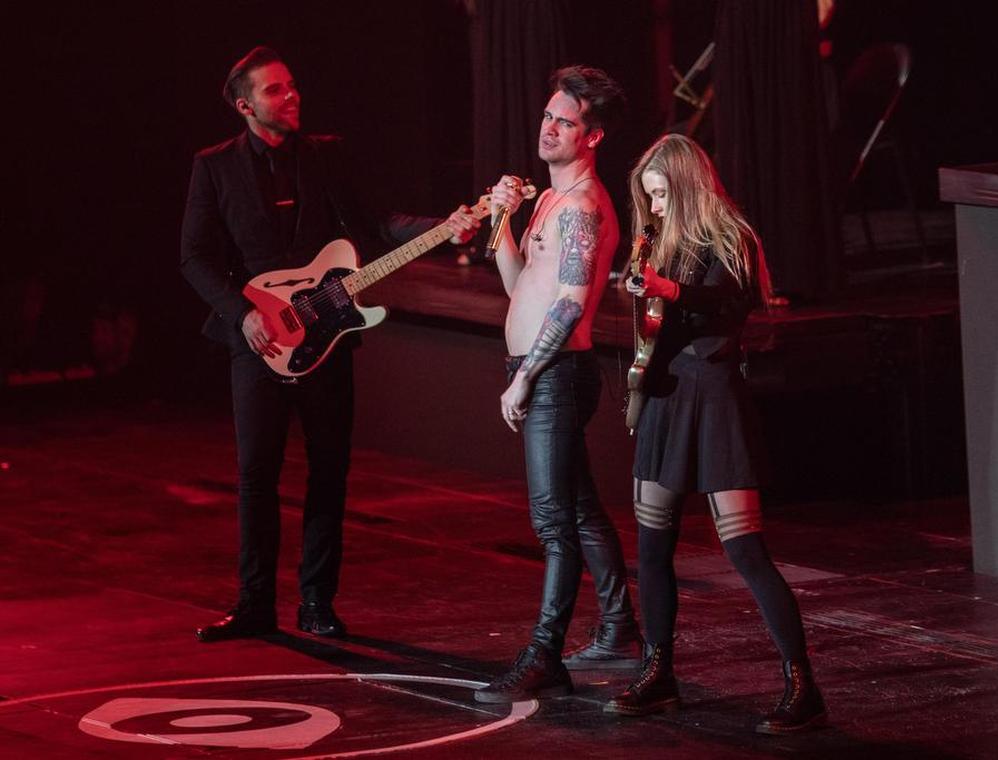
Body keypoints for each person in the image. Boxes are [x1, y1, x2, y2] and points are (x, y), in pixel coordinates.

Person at [180, 46, 479, 643]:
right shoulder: (214, 167)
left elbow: (377, 223)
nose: (291, 96)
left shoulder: (326, 156)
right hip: (258, 342)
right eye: (274, 90)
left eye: (292, 85)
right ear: (245, 105)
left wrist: (445, 227)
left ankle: (317, 602)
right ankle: (255, 604)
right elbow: (194, 257)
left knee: (329, 473)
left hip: (328, 332)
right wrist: (241, 315)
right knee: (256, 476)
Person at [605, 134, 826, 734]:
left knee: (745, 548)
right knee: (652, 547)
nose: (651, 208)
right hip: (668, 394)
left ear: (685, 185)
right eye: (646, 197)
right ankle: (659, 672)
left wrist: (664, 289)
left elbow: (728, 304)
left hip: (714, 392)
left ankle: (802, 683)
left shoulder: (729, 237)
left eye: (659, 194)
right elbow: (656, 318)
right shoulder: (659, 242)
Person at [475, 65, 641, 703]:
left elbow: (569, 305)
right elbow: (521, 287)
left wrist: (526, 380)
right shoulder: (548, 201)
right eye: (547, 117)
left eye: (563, 121)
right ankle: (619, 624)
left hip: (555, 375)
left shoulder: (582, 209)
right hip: (539, 373)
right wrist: (501, 222)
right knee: (578, 510)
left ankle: (545, 652)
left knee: (552, 524)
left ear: (591, 135)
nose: (548, 129)